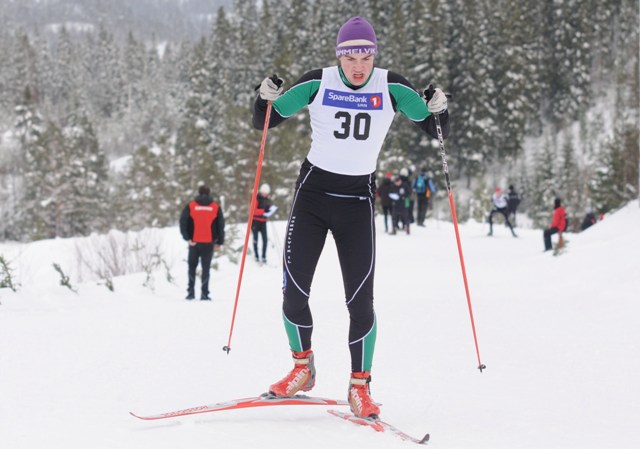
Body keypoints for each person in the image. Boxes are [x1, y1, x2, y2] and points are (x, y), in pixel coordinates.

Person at [251, 16, 449, 419]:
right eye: (350, 56)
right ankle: (302, 367)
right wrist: (263, 96)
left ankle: (360, 385)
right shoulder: (317, 82)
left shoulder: (391, 86)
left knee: (360, 301)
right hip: (312, 197)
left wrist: (440, 108)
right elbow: (266, 119)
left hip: (356, 200)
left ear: (375, 55)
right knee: (293, 292)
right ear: (338, 56)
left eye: (366, 56)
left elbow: (435, 129)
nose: (358, 65)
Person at [179, 185, 225, 300]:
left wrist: (187, 238)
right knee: (206, 268)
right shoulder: (215, 207)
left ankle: (191, 293)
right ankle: (204, 294)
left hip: (194, 242)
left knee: (192, 267)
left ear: (199, 193)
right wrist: (220, 240)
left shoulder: (191, 206)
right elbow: (221, 225)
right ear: (209, 193)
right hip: (208, 242)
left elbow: (182, 221)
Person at [252, 183, 277, 264]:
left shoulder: (267, 199)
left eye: (266, 193)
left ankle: (263, 257)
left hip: (263, 222)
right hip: (255, 221)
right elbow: (253, 211)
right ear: (261, 191)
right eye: (264, 193)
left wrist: (270, 210)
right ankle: (256, 256)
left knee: (265, 240)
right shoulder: (256, 198)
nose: (265, 194)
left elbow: (268, 208)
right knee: (255, 239)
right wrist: (263, 211)